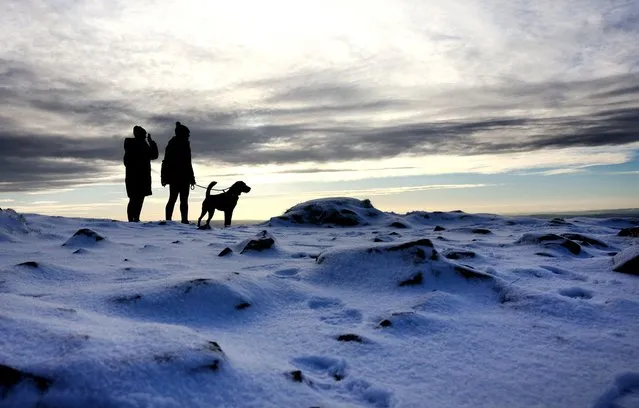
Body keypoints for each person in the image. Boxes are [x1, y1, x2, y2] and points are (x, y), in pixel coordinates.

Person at [161, 121, 195, 223]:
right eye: (187, 134)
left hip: (184, 177)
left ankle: (184, 220)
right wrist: (165, 177)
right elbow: (166, 162)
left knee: (183, 200)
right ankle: (168, 220)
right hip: (175, 177)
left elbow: (188, 163)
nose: (188, 136)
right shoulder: (172, 144)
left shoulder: (185, 144)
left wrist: (192, 178)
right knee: (173, 199)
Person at [123, 125, 159, 222]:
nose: (144, 135)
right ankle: (132, 219)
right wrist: (151, 143)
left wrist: (150, 143)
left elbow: (153, 155)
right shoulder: (135, 145)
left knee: (138, 199)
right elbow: (154, 155)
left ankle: (136, 218)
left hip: (141, 176)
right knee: (135, 199)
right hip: (136, 176)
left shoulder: (141, 144)